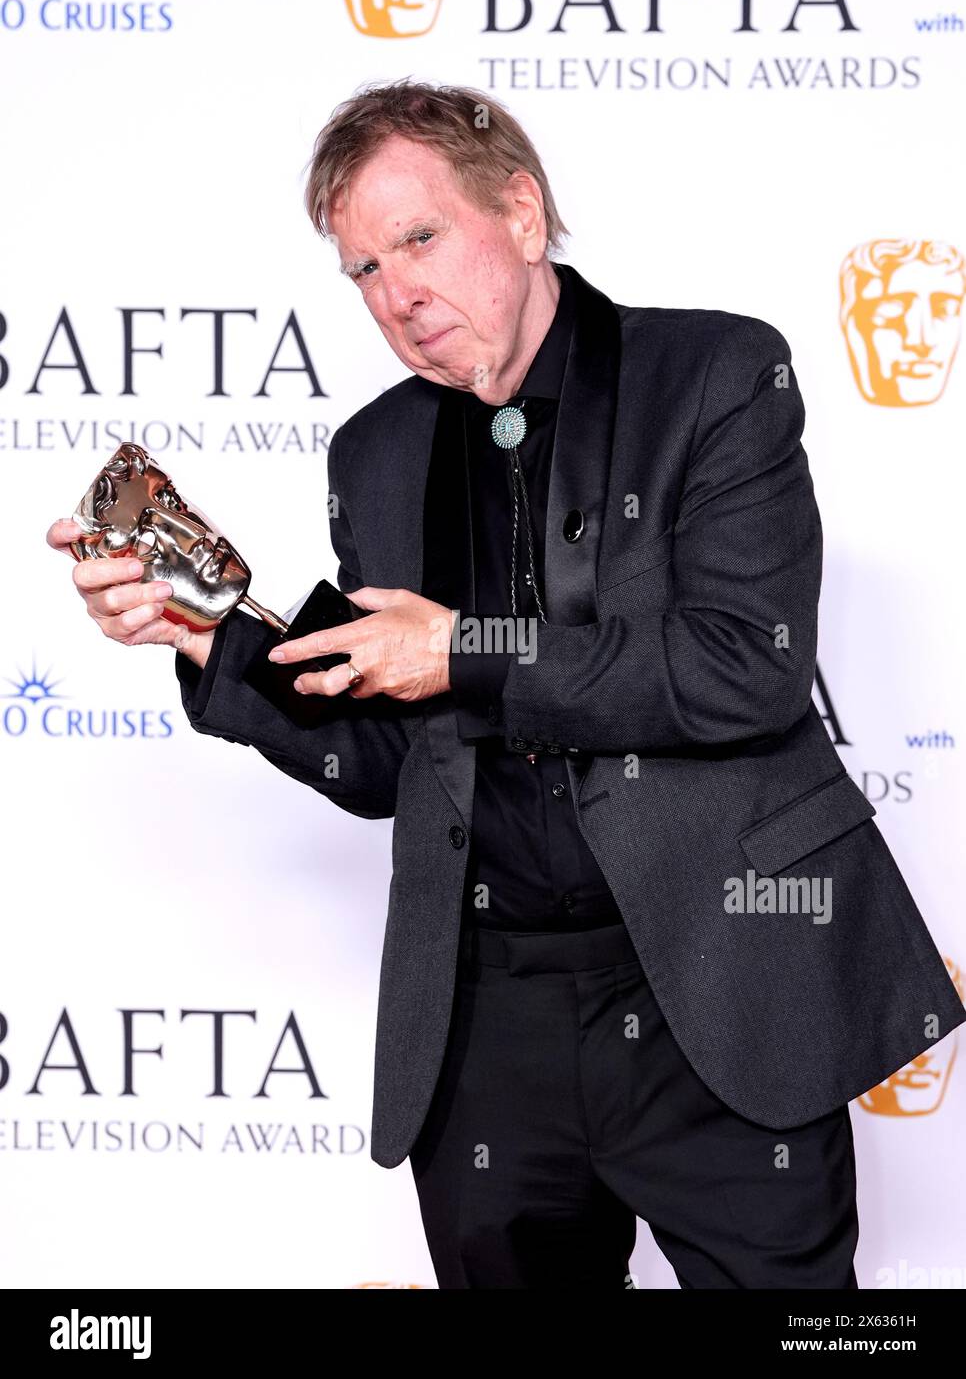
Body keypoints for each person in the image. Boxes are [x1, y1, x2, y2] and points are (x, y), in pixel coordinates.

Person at [47, 80, 965, 1290]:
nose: (396, 297)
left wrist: (463, 650)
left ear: (522, 213)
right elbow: (389, 762)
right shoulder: (374, 453)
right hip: (489, 1021)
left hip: (717, 983)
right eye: (363, 270)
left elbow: (748, 666)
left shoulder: (720, 374)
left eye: (418, 239)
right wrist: (201, 634)